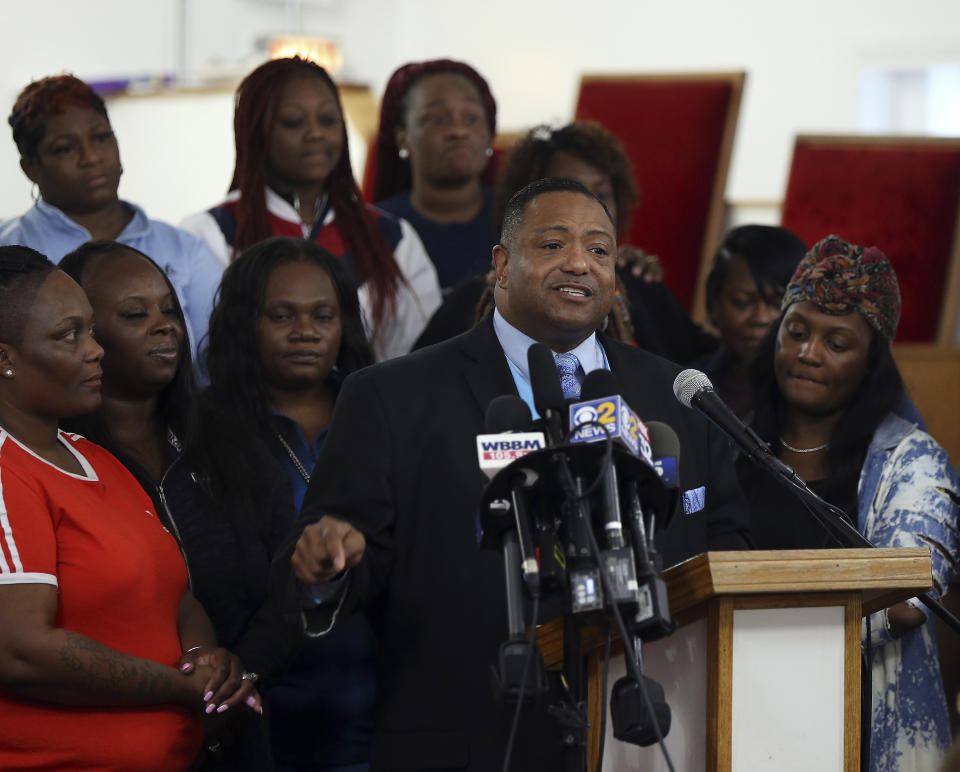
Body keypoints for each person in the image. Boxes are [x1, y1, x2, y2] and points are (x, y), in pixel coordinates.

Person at [289, 178, 751, 771]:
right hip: (465, 741)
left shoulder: (677, 398)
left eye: (600, 249)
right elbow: (336, 560)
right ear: (503, 266)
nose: (580, 263)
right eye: (554, 245)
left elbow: (729, 544)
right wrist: (327, 568)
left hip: (650, 736)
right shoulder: (391, 398)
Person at [0, 245, 258, 771]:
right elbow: (20, 650)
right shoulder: (8, 470)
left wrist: (202, 663)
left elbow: (176, 596)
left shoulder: (95, 457)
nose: (94, 350)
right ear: (4, 359)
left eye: (91, 330)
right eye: (69, 335)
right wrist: (181, 688)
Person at [58, 241, 302, 769]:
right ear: (81, 333)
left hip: (243, 718)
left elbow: (291, 574)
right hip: (114, 733)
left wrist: (239, 674)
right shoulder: (59, 460)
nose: (164, 325)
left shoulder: (232, 439)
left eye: (170, 309)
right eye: (134, 314)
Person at [740, 234, 959, 772]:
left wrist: (752, 630)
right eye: (795, 333)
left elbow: (907, 600)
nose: (808, 354)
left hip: (860, 728)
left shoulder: (912, 461)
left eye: (837, 344)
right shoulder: (730, 442)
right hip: (740, 712)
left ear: (870, 363)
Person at [204, 236, 377, 771]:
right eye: (282, 315)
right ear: (244, 323)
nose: (306, 332)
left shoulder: (381, 414)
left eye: (323, 315)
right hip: (256, 697)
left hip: (377, 692)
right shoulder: (202, 426)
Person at [181, 56, 440, 362]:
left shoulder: (392, 237)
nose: (315, 133)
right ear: (255, 132)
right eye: (293, 122)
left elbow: (422, 352)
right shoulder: (210, 233)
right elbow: (205, 352)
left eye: (328, 120)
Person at [415, 121, 717, 362]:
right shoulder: (471, 302)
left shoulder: (639, 284)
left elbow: (703, 368)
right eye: (568, 190)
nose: (585, 206)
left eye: (601, 193)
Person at [0, 75, 222, 361]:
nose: (91, 157)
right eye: (66, 148)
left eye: (102, 138)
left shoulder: (183, 249)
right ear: (30, 168)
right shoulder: (7, 251)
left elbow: (213, 363)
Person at [370, 58, 499, 290]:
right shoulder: (374, 230)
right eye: (437, 119)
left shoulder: (523, 218)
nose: (458, 131)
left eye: (471, 118)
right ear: (402, 138)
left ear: (490, 133)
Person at [694, 224, 807, 415]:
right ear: (714, 305)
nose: (760, 318)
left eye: (777, 303)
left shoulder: (813, 397)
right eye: (742, 302)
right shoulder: (686, 382)